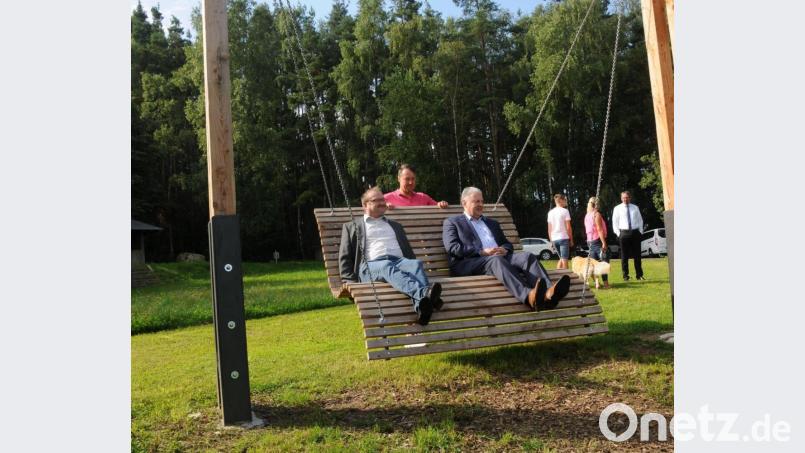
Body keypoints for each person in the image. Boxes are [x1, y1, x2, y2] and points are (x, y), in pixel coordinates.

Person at [442, 186, 571, 311]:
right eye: (476, 201)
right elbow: (453, 247)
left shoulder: (491, 223)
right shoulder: (453, 222)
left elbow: (506, 244)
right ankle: (529, 297)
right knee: (495, 260)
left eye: (482, 201)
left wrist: (505, 249)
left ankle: (549, 293)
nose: (481, 204)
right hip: (470, 263)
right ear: (464, 203)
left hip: (498, 258)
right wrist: (481, 252)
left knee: (527, 256)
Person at [339, 187, 443, 325]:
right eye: (377, 200)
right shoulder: (352, 226)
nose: (383, 202)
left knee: (415, 264)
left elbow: (408, 253)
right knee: (386, 265)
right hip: (369, 267)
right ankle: (426, 295)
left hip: (399, 262)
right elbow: (345, 256)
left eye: (383, 199)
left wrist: (411, 263)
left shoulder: (395, 225)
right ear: (365, 205)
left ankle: (422, 309)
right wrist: (350, 283)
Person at [611, 190, 644, 281]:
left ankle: (639, 275)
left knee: (637, 256)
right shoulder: (617, 208)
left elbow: (640, 220)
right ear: (621, 198)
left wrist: (640, 231)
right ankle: (626, 276)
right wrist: (618, 233)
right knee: (624, 256)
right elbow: (615, 222)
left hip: (635, 233)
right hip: (624, 233)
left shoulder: (635, 208)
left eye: (627, 197)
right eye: (623, 197)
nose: (625, 199)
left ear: (630, 198)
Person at [384, 164, 449, 209]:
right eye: (407, 179)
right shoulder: (386, 198)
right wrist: (382, 207)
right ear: (398, 179)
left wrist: (442, 204)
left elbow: (438, 206)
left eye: (413, 179)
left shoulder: (423, 197)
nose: (411, 182)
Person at [585, 197, 610, 289]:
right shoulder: (597, 214)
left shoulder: (587, 215)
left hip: (589, 241)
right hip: (597, 240)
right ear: (597, 204)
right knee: (604, 262)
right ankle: (606, 284)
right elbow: (599, 229)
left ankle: (597, 283)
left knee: (593, 263)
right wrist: (604, 242)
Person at [547, 194, 573, 269]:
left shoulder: (550, 213)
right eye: (565, 200)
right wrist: (571, 240)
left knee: (561, 259)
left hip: (554, 239)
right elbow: (568, 227)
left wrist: (551, 241)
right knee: (564, 260)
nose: (566, 202)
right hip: (563, 238)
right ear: (561, 201)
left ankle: (558, 277)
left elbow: (549, 230)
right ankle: (567, 279)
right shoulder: (565, 211)